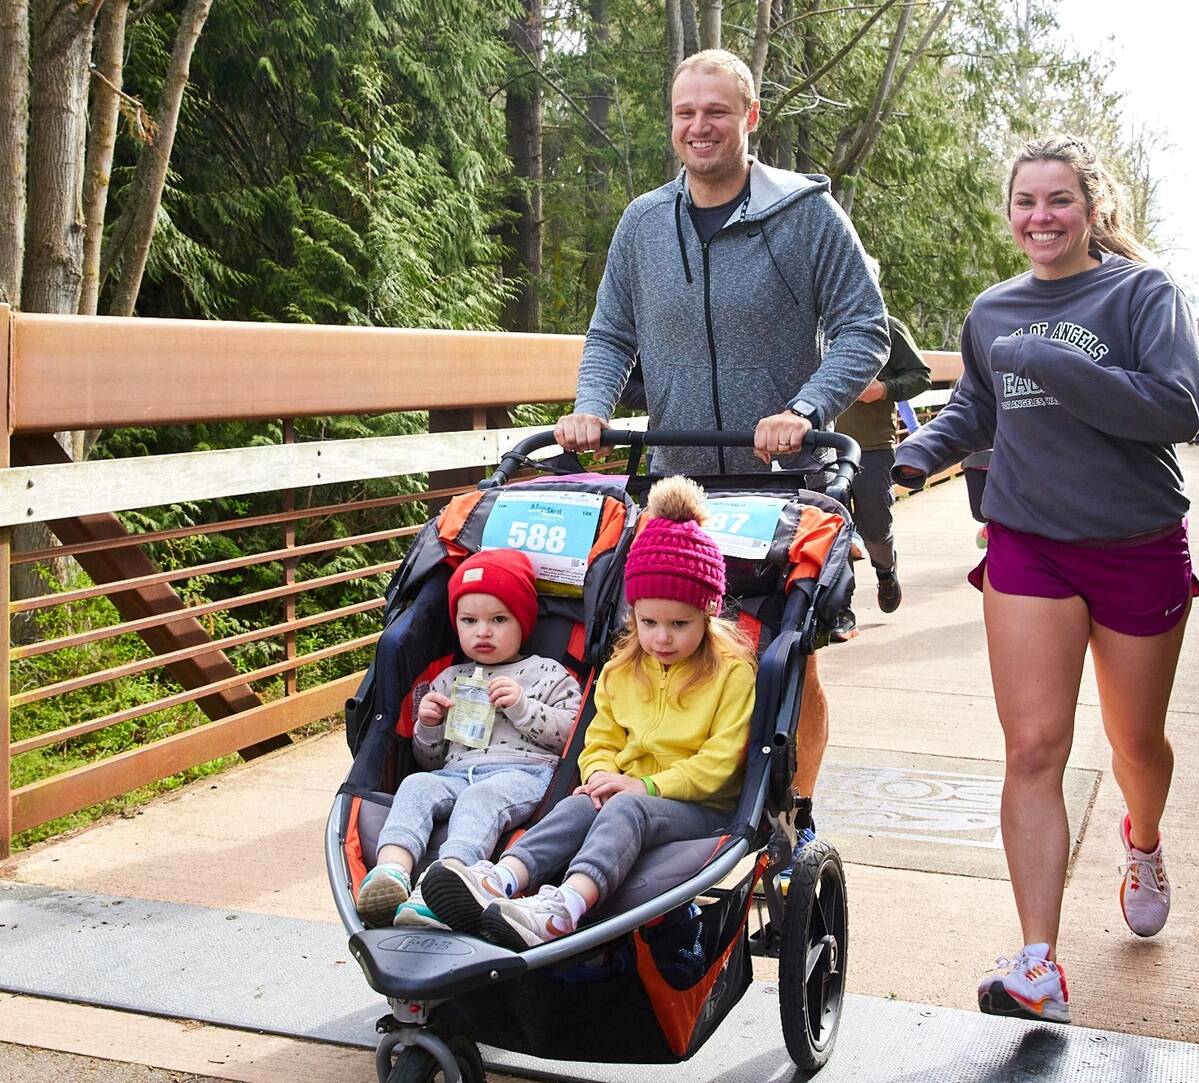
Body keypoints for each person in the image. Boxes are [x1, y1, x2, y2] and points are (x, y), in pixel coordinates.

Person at [892, 135, 1199, 1025]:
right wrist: (913, 458)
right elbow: (975, 409)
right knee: (1034, 748)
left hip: (1136, 539)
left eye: (1058, 200)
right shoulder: (993, 310)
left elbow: (1176, 409)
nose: (1040, 217)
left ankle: (1141, 840)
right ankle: (1039, 961)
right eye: (1025, 202)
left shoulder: (1144, 293)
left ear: (1092, 207)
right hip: (1030, 542)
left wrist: (1061, 365)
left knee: (1137, 741)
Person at [553, 47, 888, 853]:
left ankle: (791, 810)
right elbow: (610, 334)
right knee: (658, 645)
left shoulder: (805, 216)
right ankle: (662, 792)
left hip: (780, 483)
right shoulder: (642, 223)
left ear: (751, 118)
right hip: (679, 484)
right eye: (684, 113)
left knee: (786, 655)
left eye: (716, 111)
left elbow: (864, 330)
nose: (698, 126)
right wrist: (590, 407)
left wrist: (805, 408)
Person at [419, 477, 756, 948]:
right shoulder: (624, 667)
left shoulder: (731, 673)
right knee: (577, 805)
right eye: (649, 623)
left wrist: (645, 786)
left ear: (708, 614)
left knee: (626, 808)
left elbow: (722, 761)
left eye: (680, 624)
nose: (661, 638)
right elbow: (600, 737)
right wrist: (599, 773)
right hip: (627, 788)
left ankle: (564, 907)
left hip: (699, 804)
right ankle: (501, 879)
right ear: (633, 615)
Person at [355, 549, 582, 928]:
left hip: (522, 774)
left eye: (498, 619)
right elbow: (430, 760)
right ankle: (391, 870)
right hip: (455, 772)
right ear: (456, 624)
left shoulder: (547, 672)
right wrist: (427, 725)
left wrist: (525, 707)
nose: (483, 631)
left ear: (523, 622)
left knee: (480, 799)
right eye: (469, 620)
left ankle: (448, 879)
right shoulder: (448, 678)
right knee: (415, 784)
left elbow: (570, 738)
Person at [835, 295, 933, 617]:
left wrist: (884, 390)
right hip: (822, 445)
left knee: (875, 525)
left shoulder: (886, 327)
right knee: (830, 528)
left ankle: (885, 572)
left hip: (872, 445)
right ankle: (839, 608)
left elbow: (921, 375)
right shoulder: (818, 327)